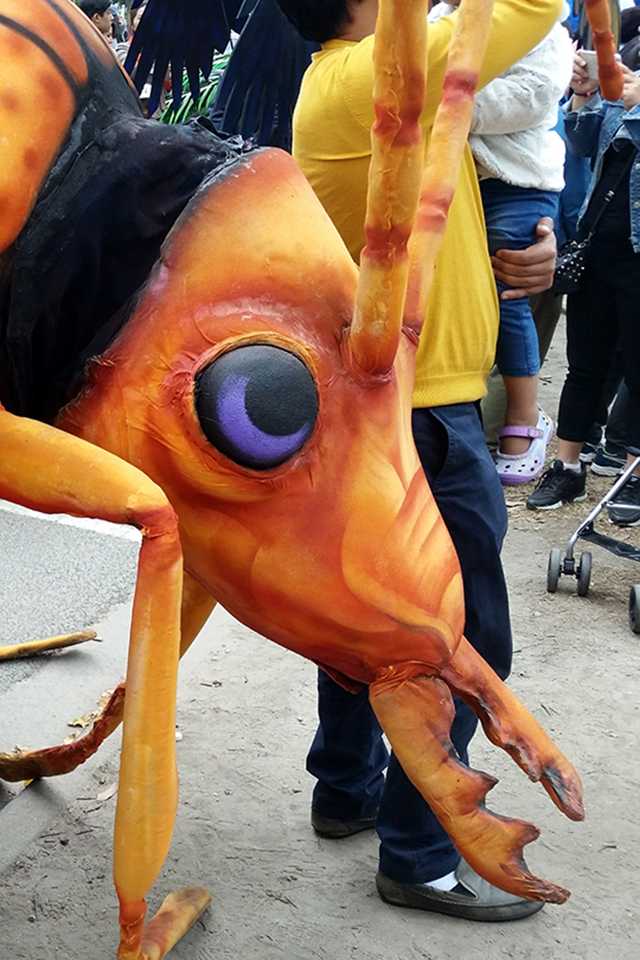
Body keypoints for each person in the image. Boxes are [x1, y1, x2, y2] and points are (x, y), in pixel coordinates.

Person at [277, 0, 561, 922]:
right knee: (458, 639)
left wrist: (533, 257)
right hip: (423, 416)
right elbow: (531, 6)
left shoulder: (356, 84)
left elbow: (454, 212)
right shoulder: (371, 76)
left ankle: (347, 788)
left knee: (367, 616)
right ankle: (421, 855)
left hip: (408, 403)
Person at [429, 8, 571, 487]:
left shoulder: (536, 22)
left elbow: (535, 93)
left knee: (506, 285)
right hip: (463, 178)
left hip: (518, 180)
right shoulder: (438, 20)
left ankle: (524, 414)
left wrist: (456, 104)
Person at [527, 52, 640, 523]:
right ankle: (568, 466)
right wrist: (583, 95)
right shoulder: (629, 75)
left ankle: (632, 474)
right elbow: (582, 143)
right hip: (596, 246)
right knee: (584, 364)